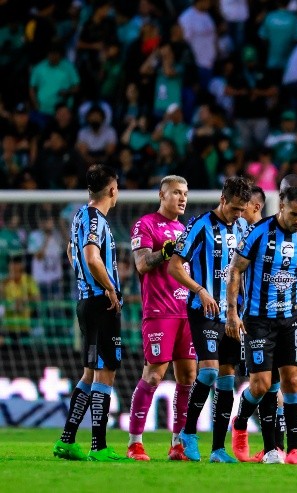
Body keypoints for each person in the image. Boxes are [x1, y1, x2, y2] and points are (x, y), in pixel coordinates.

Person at [227, 186, 297, 465]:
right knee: (261, 385)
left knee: (293, 380)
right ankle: (241, 423)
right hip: (258, 320)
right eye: (295, 214)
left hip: (292, 319)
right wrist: (232, 313)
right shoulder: (258, 233)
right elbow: (235, 270)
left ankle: (292, 450)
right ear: (281, 206)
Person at [167, 176, 251, 463]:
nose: (238, 214)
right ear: (223, 200)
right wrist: (200, 290)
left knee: (227, 379)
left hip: (233, 315)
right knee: (210, 372)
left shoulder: (243, 228)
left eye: (242, 209)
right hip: (203, 310)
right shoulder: (200, 225)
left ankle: (218, 449)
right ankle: (188, 433)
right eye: (235, 208)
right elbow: (175, 266)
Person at [52, 164, 129, 461]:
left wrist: (85, 278)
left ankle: (67, 440)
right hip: (100, 302)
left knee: (89, 372)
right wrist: (109, 288)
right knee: (106, 372)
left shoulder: (80, 216)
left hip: (85, 301)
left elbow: (72, 254)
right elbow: (91, 257)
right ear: (112, 189)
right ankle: (99, 446)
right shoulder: (96, 219)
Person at [126, 176, 195, 461]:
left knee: (188, 377)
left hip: (186, 312)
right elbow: (142, 264)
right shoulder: (146, 224)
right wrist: (167, 250)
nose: (182, 198)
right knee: (154, 375)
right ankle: (135, 443)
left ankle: (178, 444)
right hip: (159, 312)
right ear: (162, 195)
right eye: (176, 192)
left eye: (185, 193)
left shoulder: (185, 229)